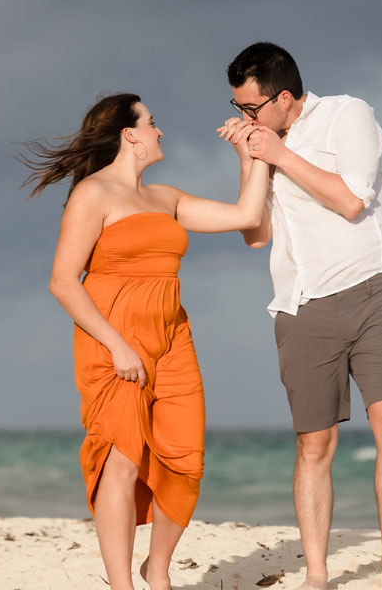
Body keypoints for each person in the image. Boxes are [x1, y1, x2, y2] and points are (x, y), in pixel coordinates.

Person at [20, 93, 269, 590]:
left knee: (186, 457)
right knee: (123, 455)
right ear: (129, 135)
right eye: (152, 123)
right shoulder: (94, 194)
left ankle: (158, 570)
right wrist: (117, 345)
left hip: (173, 335)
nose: (160, 131)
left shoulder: (166, 197)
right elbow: (63, 280)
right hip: (113, 338)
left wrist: (251, 155)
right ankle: (122, 585)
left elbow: (247, 216)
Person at [217, 43, 382, 587]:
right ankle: (316, 573)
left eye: (252, 109)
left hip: (374, 290)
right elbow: (255, 234)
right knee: (314, 444)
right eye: (238, 108)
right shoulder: (263, 144)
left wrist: (281, 155)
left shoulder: (347, 114)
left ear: (283, 98)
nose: (245, 118)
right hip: (302, 303)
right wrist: (250, 159)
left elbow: (353, 201)